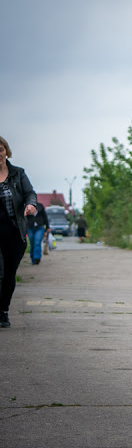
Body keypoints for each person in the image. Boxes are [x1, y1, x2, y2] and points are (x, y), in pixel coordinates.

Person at [0, 136, 37, 328]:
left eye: (0, 149)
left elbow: (30, 193)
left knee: (8, 273)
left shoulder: (17, 174)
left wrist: (30, 205)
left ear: (6, 151)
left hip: (14, 232)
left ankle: (3, 311)